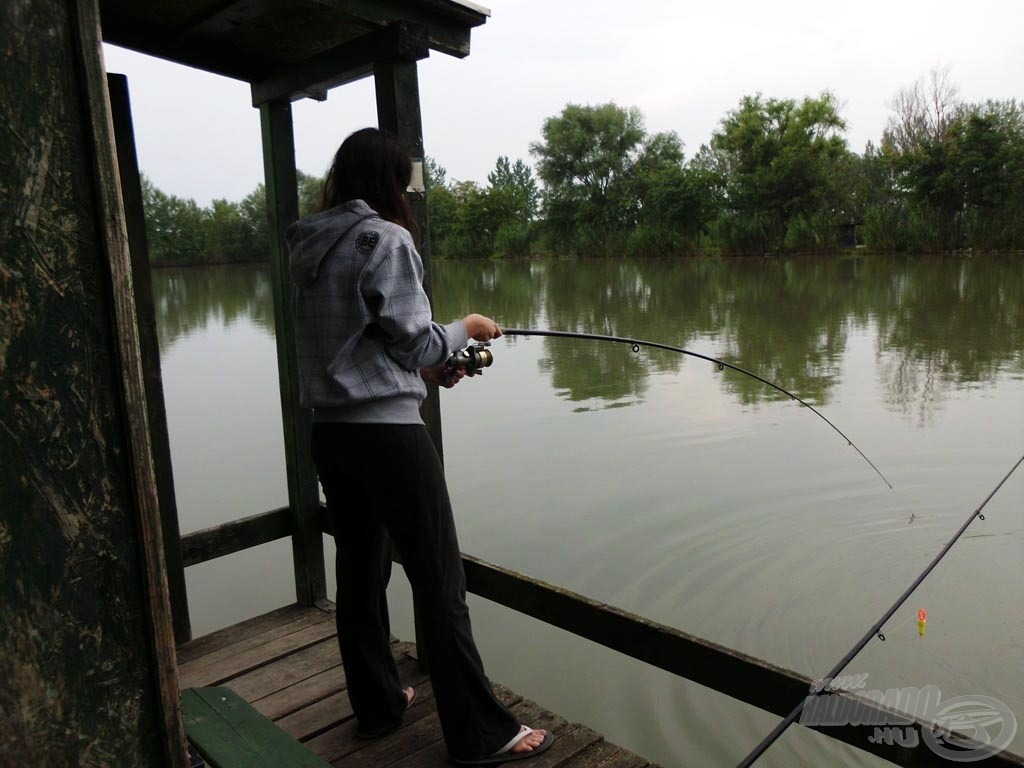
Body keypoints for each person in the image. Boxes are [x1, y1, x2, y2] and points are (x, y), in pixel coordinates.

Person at [286, 127, 552, 765]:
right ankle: (480, 736)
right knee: (438, 578)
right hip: (390, 441)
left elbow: (367, 343)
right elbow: (419, 340)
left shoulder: (307, 243)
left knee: (360, 571)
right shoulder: (387, 238)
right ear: (390, 183)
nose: (409, 193)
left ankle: (378, 706)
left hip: (332, 434)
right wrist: (467, 328)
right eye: (405, 181)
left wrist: (428, 371)